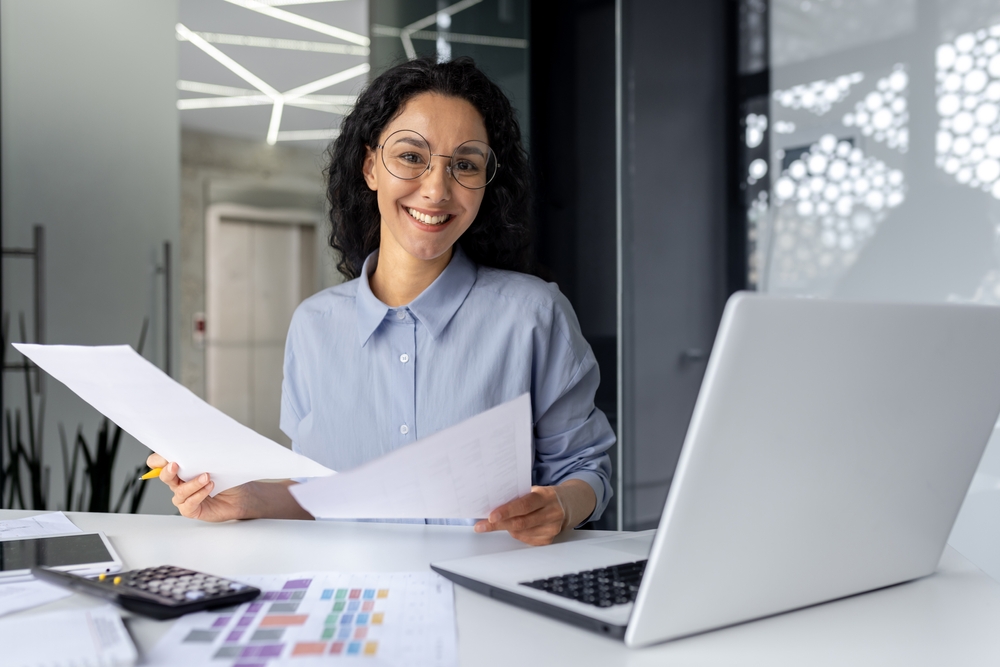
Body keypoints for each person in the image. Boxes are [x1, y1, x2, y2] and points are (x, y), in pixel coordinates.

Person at [148, 56, 614, 546]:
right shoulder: (313, 326)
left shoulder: (533, 316)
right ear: (370, 166)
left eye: (465, 165)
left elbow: (587, 471)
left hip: (491, 598)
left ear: (484, 184)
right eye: (412, 156)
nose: (436, 190)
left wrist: (559, 507)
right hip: (349, 603)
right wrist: (247, 500)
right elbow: (321, 494)